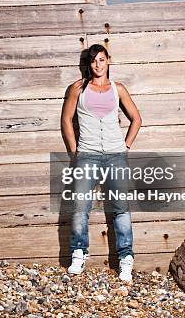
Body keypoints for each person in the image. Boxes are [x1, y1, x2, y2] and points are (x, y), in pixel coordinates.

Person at [60, 43, 142, 282]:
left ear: (108, 61)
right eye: (94, 60)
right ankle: (78, 253)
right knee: (80, 208)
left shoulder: (118, 89)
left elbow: (136, 119)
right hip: (87, 155)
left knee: (121, 209)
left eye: (102, 60)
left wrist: (125, 146)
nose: (98, 65)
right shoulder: (78, 89)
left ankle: (126, 258)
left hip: (116, 155)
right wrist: (76, 151)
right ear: (89, 64)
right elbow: (66, 120)